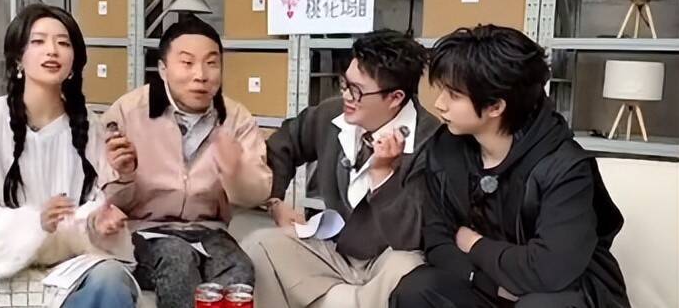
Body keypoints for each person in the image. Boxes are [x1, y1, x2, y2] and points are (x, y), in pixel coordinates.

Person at [391, 25, 630, 308]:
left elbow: (549, 267)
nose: (439, 104)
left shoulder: (564, 167)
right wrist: (484, 283)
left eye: (453, 95)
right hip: (488, 283)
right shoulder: (444, 148)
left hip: (567, 293)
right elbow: (438, 239)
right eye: (441, 90)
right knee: (418, 289)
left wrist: (475, 244)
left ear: (495, 106)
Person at [0, 4, 138, 308]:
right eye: (38, 41)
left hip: (69, 267)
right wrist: (36, 223)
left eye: (63, 43)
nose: (52, 51)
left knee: (111, 278)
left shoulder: (89, 125)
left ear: (74, 61)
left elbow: (95, 204)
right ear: (18, 57)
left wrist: (98, 218)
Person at [246, 30, 441, 307]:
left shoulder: (431, 142)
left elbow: (410, 235)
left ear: (395, 97)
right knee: (259, 244)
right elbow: (282, 146)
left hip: (387, 259)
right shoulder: (332, 114)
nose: (347, 96)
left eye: (357, 91)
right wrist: (275, 201)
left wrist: (383, 176)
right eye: (344, 84)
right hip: (334, 249)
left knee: (408, 269)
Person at [100, 16, 272, 308]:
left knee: (238, 270)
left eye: (211, 63)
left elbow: (258, 193)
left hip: (208, 231)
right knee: (177, 259)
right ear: (163, 69)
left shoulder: (236, 118)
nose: (200, 75)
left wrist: (235, 172)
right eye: (187, 63)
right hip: (141, 231)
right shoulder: (127, 113)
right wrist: (124, 175)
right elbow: (101, 197)